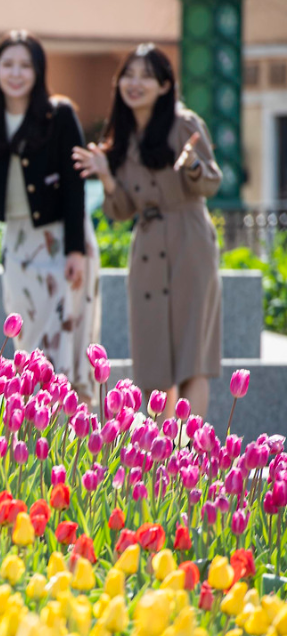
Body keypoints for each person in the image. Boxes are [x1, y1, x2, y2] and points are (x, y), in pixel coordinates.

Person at [0, 30, 100, 402]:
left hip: (62, 241)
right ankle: (35, 431)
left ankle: (69, 431)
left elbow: (75, 187)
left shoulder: (59, 115)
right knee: (27, 335)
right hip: (19, 244)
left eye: (25, 65)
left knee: (64, 335)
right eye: (7, 64)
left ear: (39, 71)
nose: (16, 73)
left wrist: (75, 250)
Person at [73, 44, 221, 419]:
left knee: (192, 360)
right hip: (147, 248)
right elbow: (121, 212)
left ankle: (189, 458)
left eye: (145, 76)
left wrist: (191, 167)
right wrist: (106, 174)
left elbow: (211, 182)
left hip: (189, 240)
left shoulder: (183, 123)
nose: (134, 83)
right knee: (153, 365)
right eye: (128, 75)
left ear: (164, 85)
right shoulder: (120, 137)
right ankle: (158, 460)